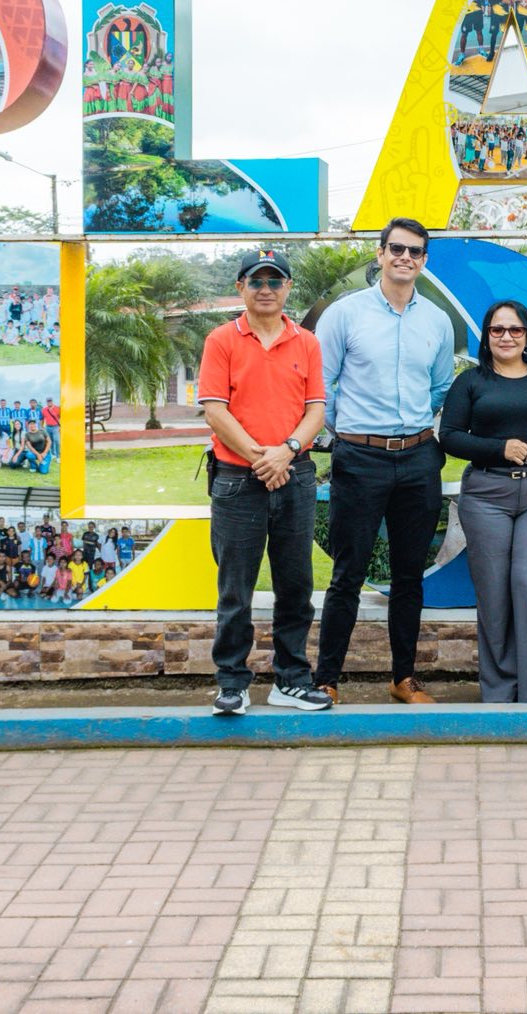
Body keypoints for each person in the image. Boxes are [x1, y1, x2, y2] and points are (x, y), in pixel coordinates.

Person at [313, 219, 455, 706]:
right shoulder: (345, 314)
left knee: (409, 575)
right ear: (380, 253)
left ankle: (403, 678)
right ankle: (326, 679)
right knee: (347, 574)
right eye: (396, 248)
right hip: (359, 458)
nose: (404, 257)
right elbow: (321, 385)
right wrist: (348, 433)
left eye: (414, 251)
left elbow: (440, 387)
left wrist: (413, 430)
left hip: (418, 458)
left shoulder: (436, 321)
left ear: (424, 260)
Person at [198, 248, 333, 716]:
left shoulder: (306, 343)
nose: (266, 289)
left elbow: (316, 410)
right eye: (256, 281)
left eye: (275, 281)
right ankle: (232, 682)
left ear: (288, 288)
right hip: (239, 480)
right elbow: (215, 410)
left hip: (294, 475)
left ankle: (291, 679)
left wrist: (286, 451)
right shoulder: (221, 340)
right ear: (241, 287)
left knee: (295, 585)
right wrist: (262, 457)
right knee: (235, 588)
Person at [440, 302, 527, 703]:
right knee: (494, 592)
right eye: (497, 330)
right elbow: (450, 436)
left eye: (515, 330)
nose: (506, 337)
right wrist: (499, 448)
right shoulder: (470, 382)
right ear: (486, 336)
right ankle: (500, 692)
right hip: (486, 495)